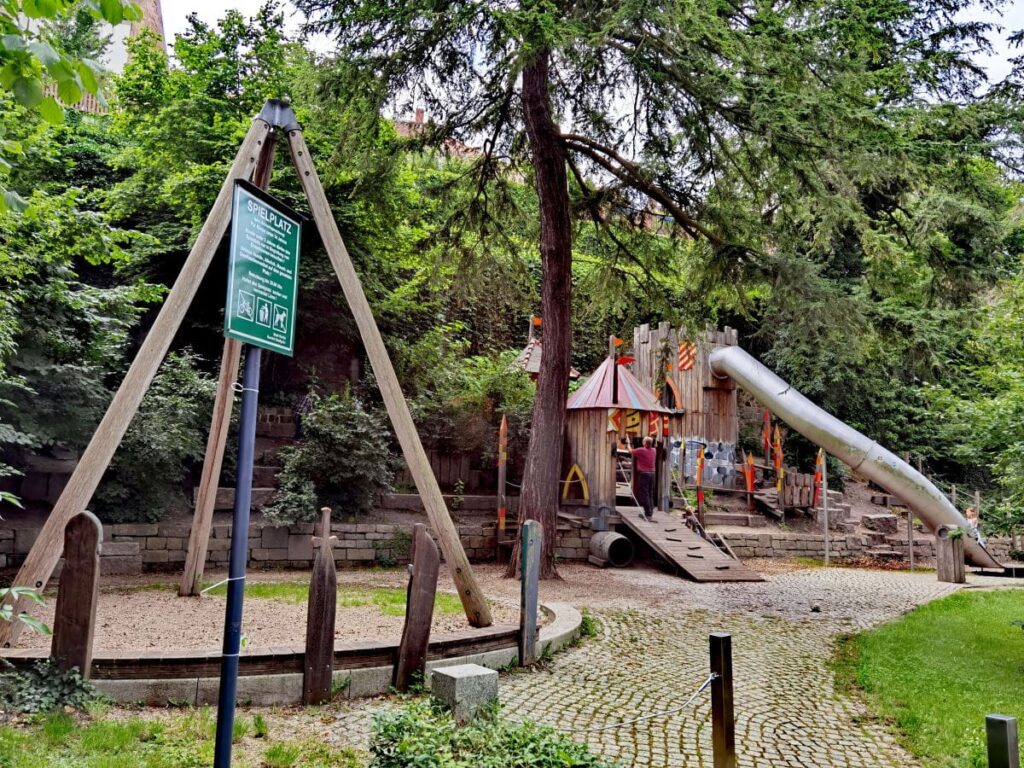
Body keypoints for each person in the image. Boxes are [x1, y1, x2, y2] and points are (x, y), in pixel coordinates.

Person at [623, 436, 657, 521]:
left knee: (644, 494)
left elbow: (630, 451)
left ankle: (648, 514)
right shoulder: (654, 450)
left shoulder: (641, 450)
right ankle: (649, 513)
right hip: (652, 474)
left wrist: (628, 443)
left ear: (645, 443)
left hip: (644, 474)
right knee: (650, 493)